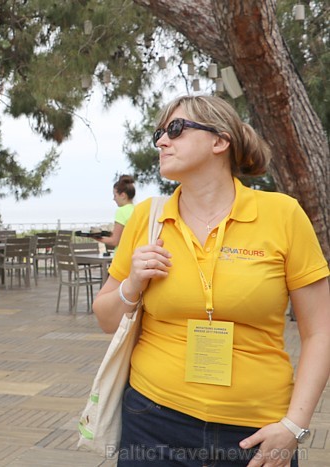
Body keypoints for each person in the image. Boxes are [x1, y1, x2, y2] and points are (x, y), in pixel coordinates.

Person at [92, 95, 330, 466]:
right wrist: (132, 283)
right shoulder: (146, 218)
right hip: (153, 422)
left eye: (175, 129)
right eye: (159, 133)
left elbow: (320, 331)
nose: (161, 141)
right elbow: (106, 317)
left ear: (220, 141)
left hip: (256, 432)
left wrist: (294, 426)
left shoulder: (282, 215)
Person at [94, 174, 136, 253]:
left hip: (122, 256)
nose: (113, 199)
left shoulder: (121, 211)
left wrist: (97, 238)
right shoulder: (137, 209)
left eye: (115, 195)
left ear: (123, 195)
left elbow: (115, 241)